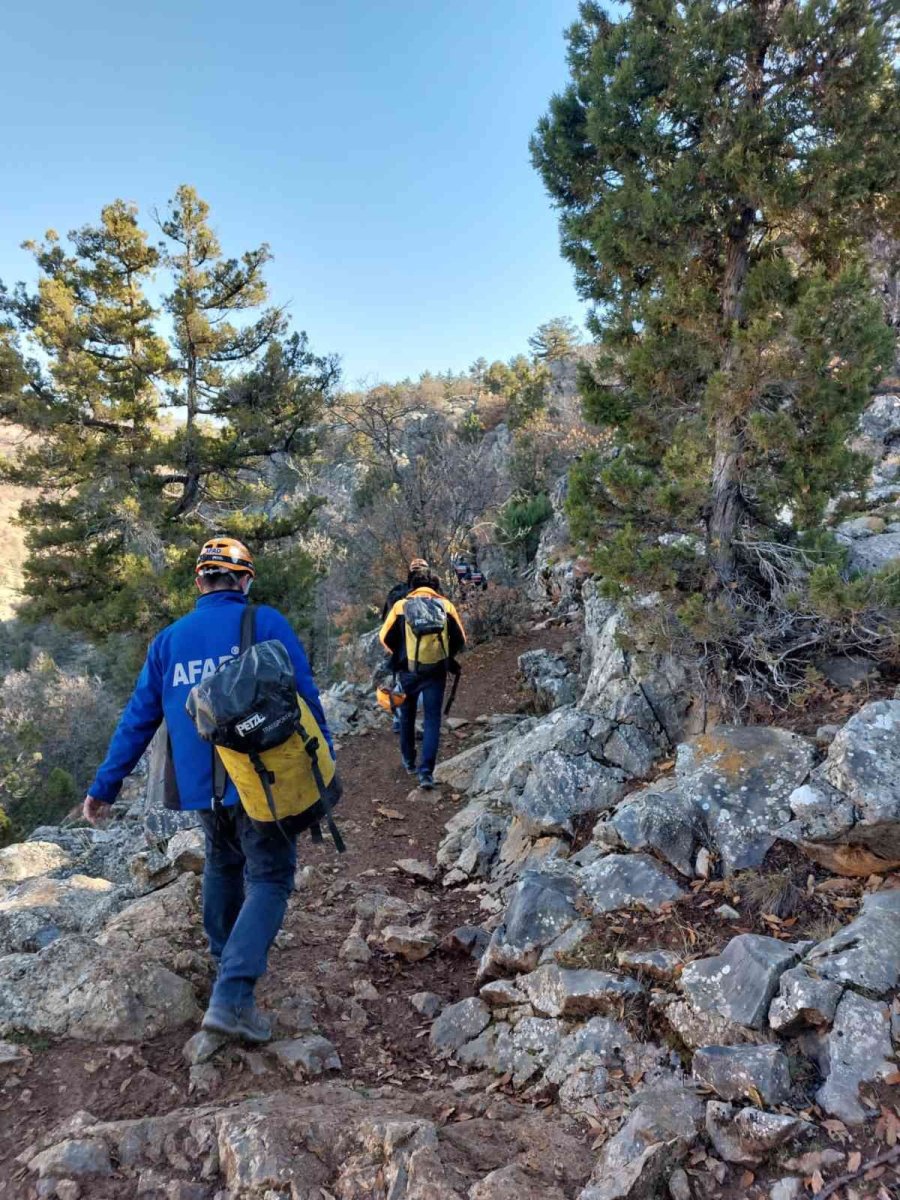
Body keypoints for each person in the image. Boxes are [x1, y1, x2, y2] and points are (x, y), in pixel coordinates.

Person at [82, 537, 334, 1044]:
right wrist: (322, 761)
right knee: (271, 878)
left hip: (201, 787)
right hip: (262, 778)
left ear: (200, 582)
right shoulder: (265, 622)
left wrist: (103, 787)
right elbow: (303, 697)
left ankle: (225, 962)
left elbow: (138, 720)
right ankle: (233, 996)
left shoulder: (169, 641)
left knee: (223, 862)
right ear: (245, 580)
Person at [379, 563, 465, 790]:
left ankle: (409, 762)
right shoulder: (445, 605)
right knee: (432, 720)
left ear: (412, 585)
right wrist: (445, 656)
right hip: (436, 673)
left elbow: (384, 637)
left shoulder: (400, 606)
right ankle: (426, 773)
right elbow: (461, 639)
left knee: (406, 717)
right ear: (435, 585)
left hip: (408, 672)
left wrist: (399, 654)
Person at [379, 558, 430, 732]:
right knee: (422, 686)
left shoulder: (397, 593)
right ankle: (409, 722)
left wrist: (391, 649)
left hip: (402, 650)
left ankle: (399, 720)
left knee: (403, 684)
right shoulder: (434, 593)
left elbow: (386, 621)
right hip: (426, 649)